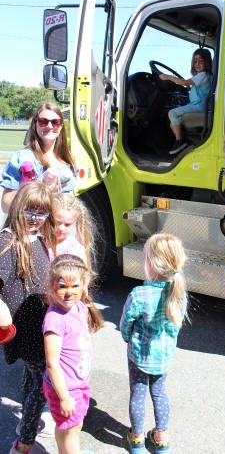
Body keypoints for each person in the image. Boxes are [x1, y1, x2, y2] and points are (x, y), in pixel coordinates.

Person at [0, 182, 56, 454]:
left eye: (41, 213)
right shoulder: (7, 241)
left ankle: (26, 420)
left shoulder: (38, 239)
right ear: (18, 208)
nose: (35, 218)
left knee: (32, 377)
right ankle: (24, 441)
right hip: (26, 325)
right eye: (30, 211)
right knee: (42, 383)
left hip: (40, 323)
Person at [120, 233, 187, 454]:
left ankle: (137, 439)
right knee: (159, 393)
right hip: (164, 357)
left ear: (150, 264)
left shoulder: (139, 294)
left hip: (139, 357)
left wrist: (128, 339)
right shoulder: (179, 293)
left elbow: (125, 325)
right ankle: (161, 439)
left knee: (137, 394)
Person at [42, 254, 103, 454]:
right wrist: (64, 397)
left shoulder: (80, 308)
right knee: (72, 429)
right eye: (62, 286)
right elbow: (52, 363)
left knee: (69, 427)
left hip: (77, 383)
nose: (69, 292)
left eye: (75, 286)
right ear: (52, 286)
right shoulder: (55, 320)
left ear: (84, 284)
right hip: (66, 388)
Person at [1, 102, 76, 213]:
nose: (49, 126)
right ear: (35, 124)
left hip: (61, 228)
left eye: (55, 122)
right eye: (43, 122)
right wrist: (39, 185)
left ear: (61, 126)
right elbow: (5, 205)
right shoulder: (21, 158)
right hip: (32, 226)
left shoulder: (69, 158)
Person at [160, 48, 212, 155]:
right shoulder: (204, 76)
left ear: (206, 62)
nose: (197, 64)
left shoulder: (203, 75)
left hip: (200, 106)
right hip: (200, 106)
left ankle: (180, 142)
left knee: (172, 113)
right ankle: (183, 142)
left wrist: (167, 77)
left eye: (200, 61)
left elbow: (185, 82)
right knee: (173, 122)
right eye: (195, 61)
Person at [48, 193, 93, 267]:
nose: (61, 228)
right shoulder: (41, 242)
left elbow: (83, 276)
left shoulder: (75, 250)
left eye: (67, 225)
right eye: (58, 223)